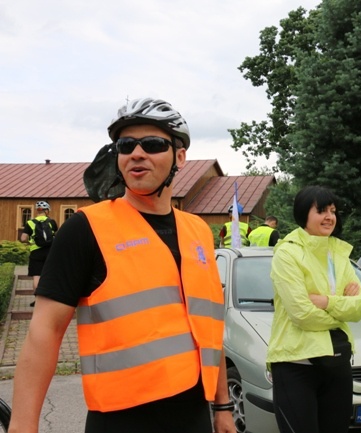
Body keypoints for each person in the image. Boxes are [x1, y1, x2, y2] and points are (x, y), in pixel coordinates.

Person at [10, 98, 236, 433]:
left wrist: (222, 407)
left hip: (193, 416)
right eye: (126, 145)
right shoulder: (86, 228)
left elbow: (209, 327)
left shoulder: (198, 231)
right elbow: (44, 332)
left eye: (154, 144)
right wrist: (22, 426)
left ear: (180, 157)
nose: (137, 153)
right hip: (120, 420)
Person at [266, 185, 361, 433]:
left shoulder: (338, 252)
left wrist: (326, 302)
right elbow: (301, 313)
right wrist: (342, 309)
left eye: (333, 211)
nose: (329, 217)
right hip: (295, 365)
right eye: (321, 210)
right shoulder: (287, 253)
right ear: (304, 214)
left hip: (337, 363)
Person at [20, 200, 58, 307]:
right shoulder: (52, 222)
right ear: (47, 211)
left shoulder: (30, 223)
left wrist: (30, 242)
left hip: (36, 252)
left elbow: (23, 238)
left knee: (36, 276)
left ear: (37, 211)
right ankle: (51, 299)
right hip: (50, 251)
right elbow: (56, 235)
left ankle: (38, 300)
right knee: (50, 274)